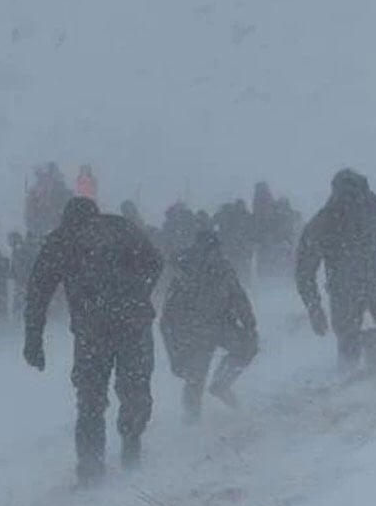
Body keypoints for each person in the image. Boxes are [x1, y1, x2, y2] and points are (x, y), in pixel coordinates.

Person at [24, 197, 164, 485]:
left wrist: (33, 339)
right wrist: (139, 292)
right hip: (133, 324)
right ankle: (131, 442)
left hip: (91, 331)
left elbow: (38, 292)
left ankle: (90, 468)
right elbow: (156, 262)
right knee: (134, 389)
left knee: (90, 399)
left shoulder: (61, 240)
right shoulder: (121, 227)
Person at [296, 169, 376, 370]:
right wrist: (314, 308)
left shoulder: (370, 204)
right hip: (345, 289)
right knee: (349, 345)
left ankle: (369, 345)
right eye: (346, 195)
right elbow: (305, 271)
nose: (352, 201)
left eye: (356, 194)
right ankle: (348, 371)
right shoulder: (323, 222)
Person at [161, 231, 258, 424]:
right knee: (195, 378)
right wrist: (175, 354)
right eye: (214, 250)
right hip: (194, 332)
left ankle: (221, 384)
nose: (216, 254)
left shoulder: (222, 268)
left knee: (246, 348)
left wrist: (249, 324)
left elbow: (238, 296)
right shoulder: (183, 272)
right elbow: (168, 318)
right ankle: (191, 422)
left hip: (220, 325)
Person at [213, 199, 255, 280]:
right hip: (238, 247)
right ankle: (243, 282)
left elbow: (213, 223)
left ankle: (235, 281)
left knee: (235, 266)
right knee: (241, 266)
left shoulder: (228, 216)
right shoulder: (243, 216)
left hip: (234, 247)